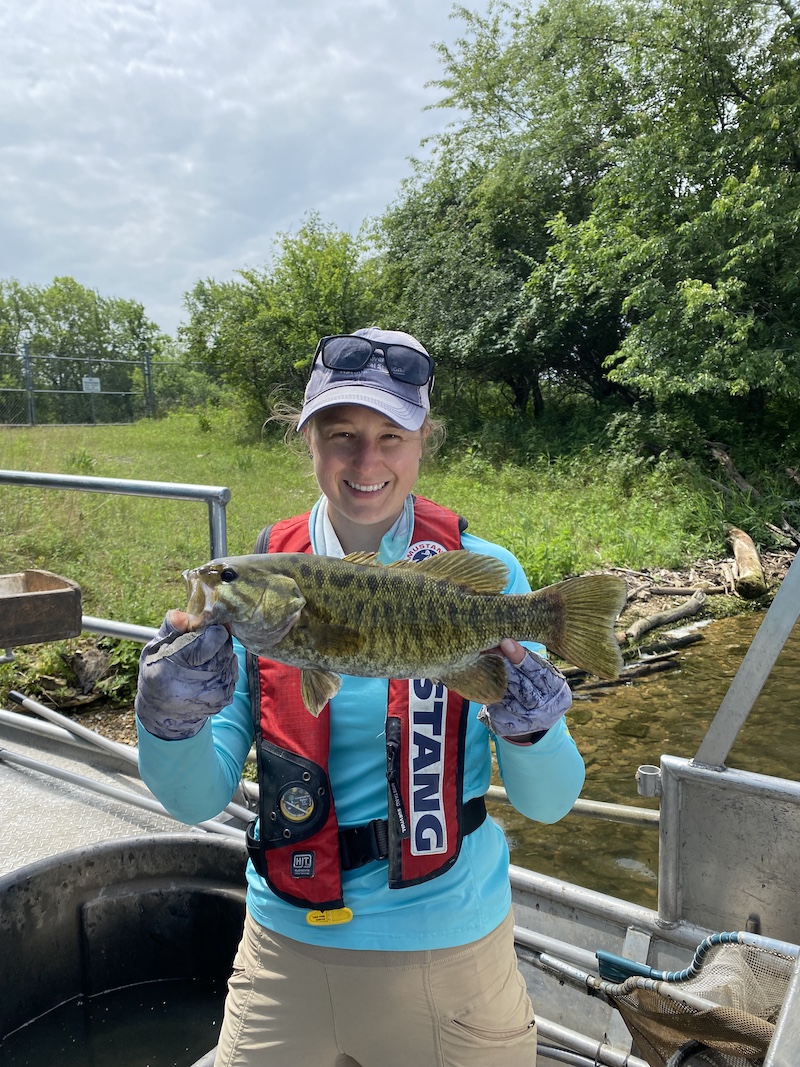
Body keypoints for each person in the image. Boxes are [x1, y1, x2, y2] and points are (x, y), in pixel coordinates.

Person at [135, 327, 585, 1067]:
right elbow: (194, 798)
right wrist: (170, 721)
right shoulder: (263, 593)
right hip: (284, 948)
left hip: (451, 949)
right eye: (341, 434)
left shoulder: (489, 574)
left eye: (391, 436)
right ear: (307, 439)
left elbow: (550, 802)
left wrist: (534, 730)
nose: (366, 461)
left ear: (422, 441)